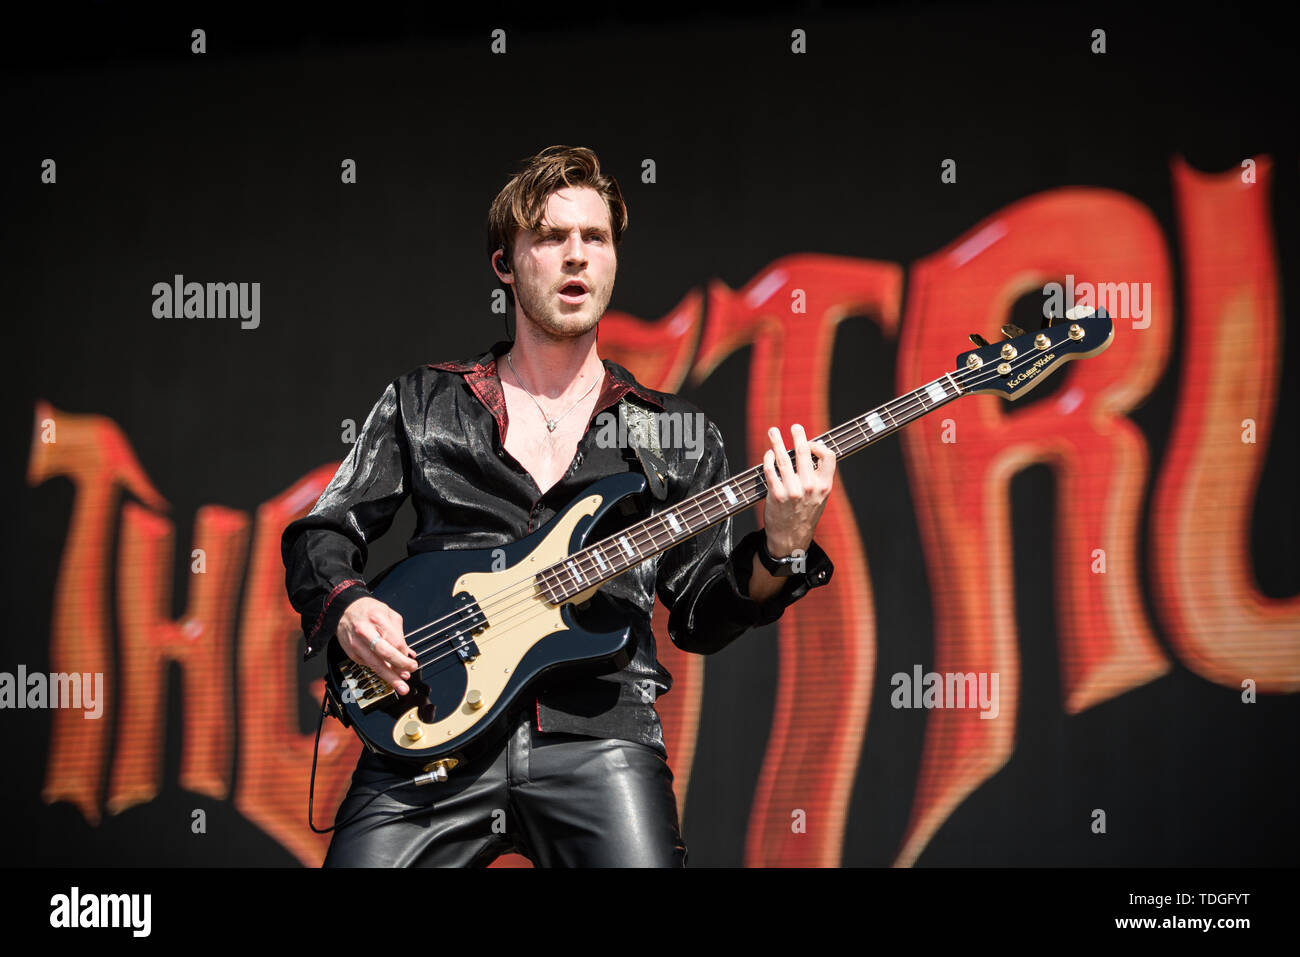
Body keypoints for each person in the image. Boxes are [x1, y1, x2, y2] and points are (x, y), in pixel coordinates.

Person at [281, 145, 838, 867]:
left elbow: (701, 615)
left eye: (595, 238)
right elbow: (322, 532)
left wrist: (782, 549)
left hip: (599, 734)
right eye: (550, 237)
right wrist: (350, 606)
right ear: (504, 264)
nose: (577, 256)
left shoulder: (674, 432)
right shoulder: (425, 402)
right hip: (425, 721)